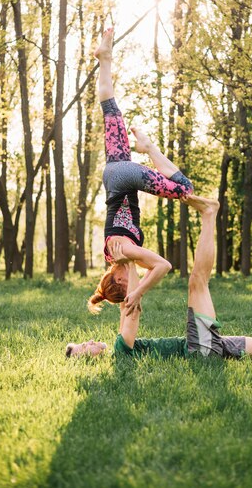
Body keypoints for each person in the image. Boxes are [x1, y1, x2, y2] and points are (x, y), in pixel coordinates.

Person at [66, 195, 252, 360]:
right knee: (198, 281)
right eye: (84, 347)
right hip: (199, 350)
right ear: (87, 360)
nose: (90, 341)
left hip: (207, 347)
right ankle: (210, 215)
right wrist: (126, 256)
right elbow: (128, 303)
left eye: (84, 341)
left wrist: (124, 259)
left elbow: (128, 288)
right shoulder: (121, 349)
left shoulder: (125, 312)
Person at [90, 28, 193, 316]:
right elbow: (152, 267)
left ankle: (148, 147)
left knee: (185, 189)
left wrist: (137, 292)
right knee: (111, 110)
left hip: (123, 179)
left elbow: (163, 266)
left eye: (127, 283)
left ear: (119, 279)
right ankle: (104, 59)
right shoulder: (113, 253)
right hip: (113, 173)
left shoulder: (125, 253)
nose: (132, 279)